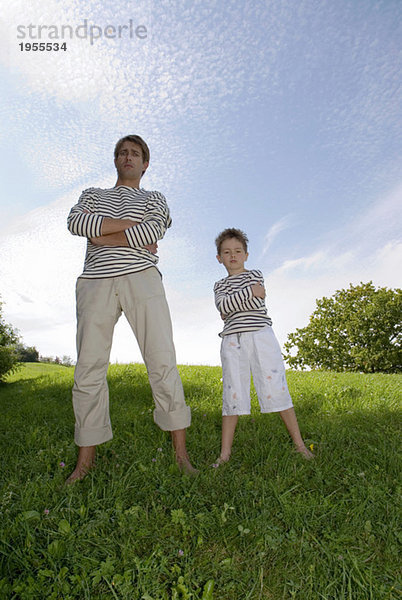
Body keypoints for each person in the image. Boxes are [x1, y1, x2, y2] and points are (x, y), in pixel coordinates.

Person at [66, 134, 196, 482]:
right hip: (95, 280)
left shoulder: (155, 198)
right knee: (89, 368)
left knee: (162, 360)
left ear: (145, 163)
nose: (128, 157)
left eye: (135, 153)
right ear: (115, 160)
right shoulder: (92, 195)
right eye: (122, 152)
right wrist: (132, 233)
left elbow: (155, 229)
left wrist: (104, 233)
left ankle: (181, 455)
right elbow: (77, 223)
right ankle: (85, 463)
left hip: (142, 278)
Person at [213, 228, 313, 466]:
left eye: (238, 251)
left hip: (261, 336)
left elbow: (252, 300)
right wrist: (246, 296)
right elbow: (223, 306)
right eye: (227, 252)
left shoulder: (255, 274)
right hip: (232, 341)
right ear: (219, 258)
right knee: (232, 393)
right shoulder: (219, 284)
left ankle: (300, 446)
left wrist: (235, 303)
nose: (233, 256)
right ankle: (225, 454)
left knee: (277, 388)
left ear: (246, 254)